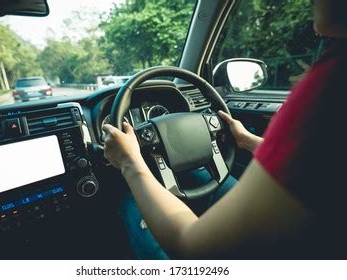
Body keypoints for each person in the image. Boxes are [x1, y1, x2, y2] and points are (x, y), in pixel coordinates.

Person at [102, 0, 347, 259]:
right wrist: (250, 141)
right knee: (204, 179)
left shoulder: (329, 89)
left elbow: (192, 248)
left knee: (130, 204)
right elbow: (318, 165)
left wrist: (129, 161)